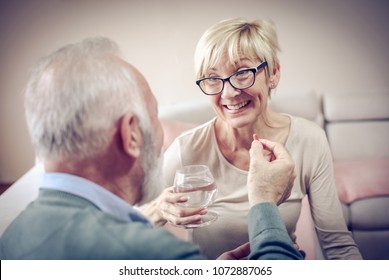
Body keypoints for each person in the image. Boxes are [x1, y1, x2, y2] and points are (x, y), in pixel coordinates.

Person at [0, 37, 302, 260]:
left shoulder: (14, 234)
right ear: (131, 134)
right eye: (154, 116)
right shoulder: (147, 253)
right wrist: (263, 201)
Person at [151, 18, 363, 260]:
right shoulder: (185, 149)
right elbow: (125, 227)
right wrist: (157, 210)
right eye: (212, 78)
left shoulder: (309, 140)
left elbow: (338, 246)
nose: (228, 93)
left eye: (242, 73)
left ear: (273, 73)